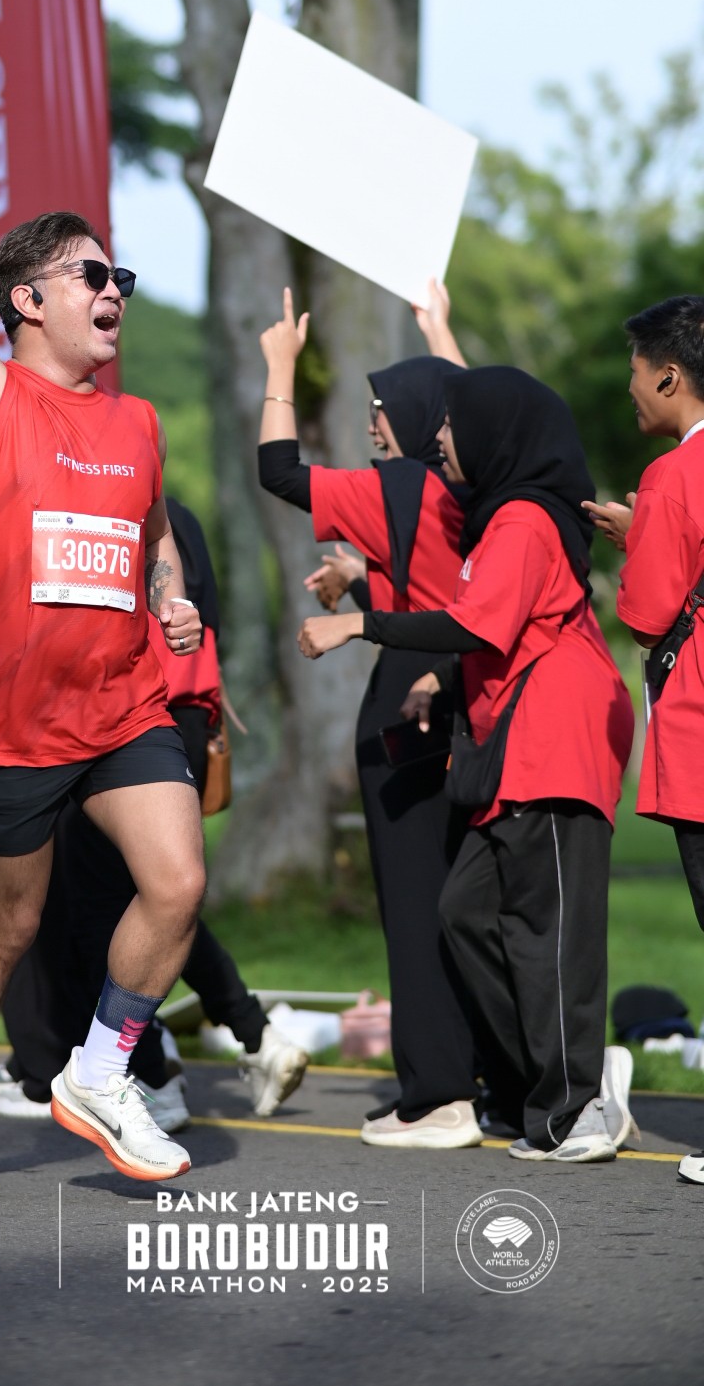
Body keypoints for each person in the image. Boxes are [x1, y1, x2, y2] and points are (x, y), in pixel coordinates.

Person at [0, 24, 206, 1189]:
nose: (114, 291)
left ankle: (101, 1071)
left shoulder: (137, 422)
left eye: (120, 278)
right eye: (92, 276)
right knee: (8, 928)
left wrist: (170, 598)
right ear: (28, 298)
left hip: (121, 703)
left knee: (176, 881)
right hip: (14, 724)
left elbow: (152, 535)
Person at [297, 366, 636, 1164]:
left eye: (452, 423)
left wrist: (361, 626)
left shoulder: (522, 519)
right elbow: (494, 627)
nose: (440, 437)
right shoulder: (499, 518)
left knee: (549, 932)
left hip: (557, 741)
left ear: (490, 432)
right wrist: (440, 679)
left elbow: (479, 623)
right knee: (466, 912)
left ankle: (579, 1101)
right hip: (514, 747)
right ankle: (543, 1084)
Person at [0, 497, 308, 1128]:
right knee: (158, 898)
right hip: (178, 714)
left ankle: (151, 1074)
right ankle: (248, 1035)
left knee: (110, 907)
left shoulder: (102, 512)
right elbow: (200, 618)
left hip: (131, 721)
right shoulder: (172, 515)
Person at [256, 289, 481, 1148]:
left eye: (383, 407)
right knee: (461, 899)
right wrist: (440, 332)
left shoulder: (398, 485)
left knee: (414, 902)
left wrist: (279, 365)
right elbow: (479, 410)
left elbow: (279, 469)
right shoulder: (476, 487)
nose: (373, 422)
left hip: (405, 698)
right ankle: (477, 1075)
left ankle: (439, 1096)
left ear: (417, 417)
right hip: (466, 691)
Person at [598, 297, 704, 1188]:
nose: (630, 388)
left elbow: (647, 611)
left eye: (636, 371)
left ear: (669, 375)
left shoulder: (673, 474)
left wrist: (641, 537)